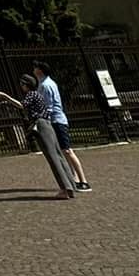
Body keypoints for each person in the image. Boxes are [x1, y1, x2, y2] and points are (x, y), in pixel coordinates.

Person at [0, 73, 77, 198]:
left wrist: (5, 96)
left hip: (41, 125)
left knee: (52, 157)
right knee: (58, 155)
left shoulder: (31, 94)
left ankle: (65, 188)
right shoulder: (38, 94)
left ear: (26, 85)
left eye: (22, 84)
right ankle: (70, 186)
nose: (21, 87)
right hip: (47, 124)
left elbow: (22, 105)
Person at [32, 62, 91, 190]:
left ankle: (83, 180)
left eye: (36, 68)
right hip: (56, 119)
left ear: (40, 71)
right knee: (63, 152)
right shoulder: (46, 83)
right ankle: (74, 178)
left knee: (67, 150)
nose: (34, 69)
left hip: (56, 120)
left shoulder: (45, 85)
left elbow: (49, 106)